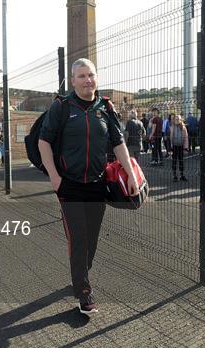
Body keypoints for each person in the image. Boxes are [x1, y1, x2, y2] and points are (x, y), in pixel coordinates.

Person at [38, 58, 138, 316]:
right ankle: (83, 290)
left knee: (91, 239)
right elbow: (44, 142)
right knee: (79, 236)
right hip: (69, 185)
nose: (87, 80)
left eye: (90, 75)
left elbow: (118, 143)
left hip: (97, 184)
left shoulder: (105, 107)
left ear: (97, 77)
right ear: (73, 80)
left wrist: (131, 174)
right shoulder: (61, 106)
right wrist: (54, 177)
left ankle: (80, 271)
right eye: (81, 76)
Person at [169, 115, 189, 181]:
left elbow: (186, 138)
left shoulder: (183, 127)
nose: (177, 120)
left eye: (178, 119)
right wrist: (170, 148)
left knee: (181, 161)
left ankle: (182, 175)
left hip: (181, 146)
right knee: (174, 161)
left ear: (181, 120)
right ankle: (174, 175)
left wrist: (186, 148)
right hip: (174, 147)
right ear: (174, 120)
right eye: (176, 119)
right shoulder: (172, 127)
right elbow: (170, 138)